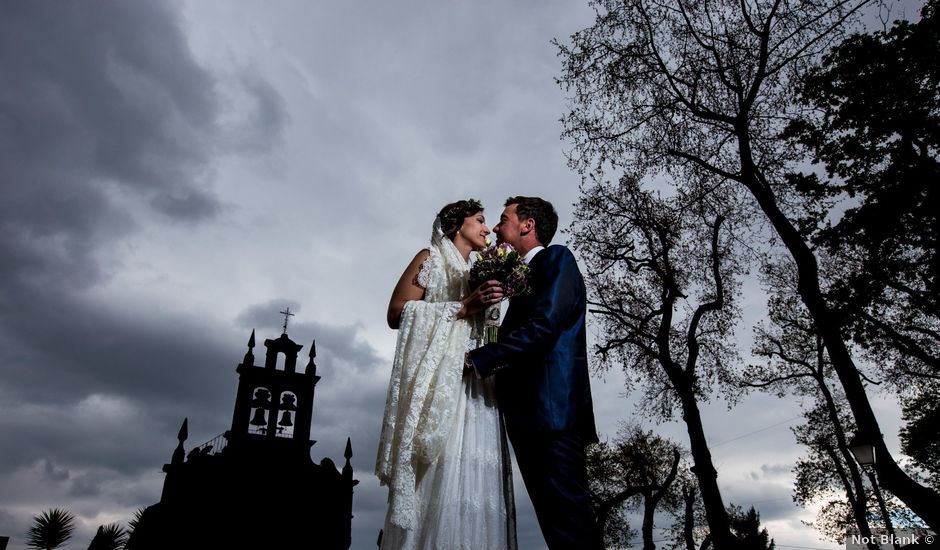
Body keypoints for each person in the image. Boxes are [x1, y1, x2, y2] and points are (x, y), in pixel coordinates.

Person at [375, 199, 517, 549]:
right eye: (480, 221)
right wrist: (464, 307)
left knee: (472, 478)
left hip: (477, 384)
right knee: (438, 466)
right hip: (440, 381)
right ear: (456, 224)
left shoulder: (480, 270)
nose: (487, 229)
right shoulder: (430, 259)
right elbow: (396, 313)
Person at [466, 196, 603, 549]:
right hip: (529, 421)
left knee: (573, 529)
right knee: (557, 531)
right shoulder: (519, 281)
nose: (495, 228)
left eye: (503, 218)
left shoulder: (557, 259)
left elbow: (543, 326)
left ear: (527, 225)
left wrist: (478, 359)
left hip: (552, 416)